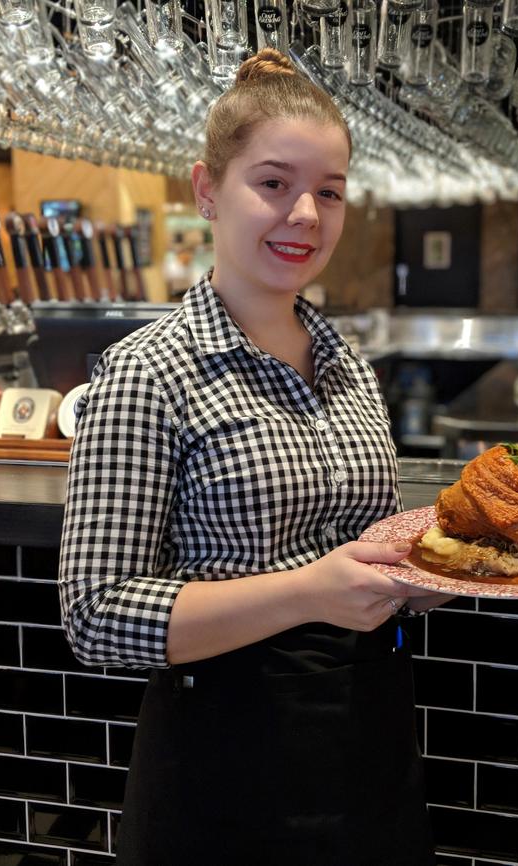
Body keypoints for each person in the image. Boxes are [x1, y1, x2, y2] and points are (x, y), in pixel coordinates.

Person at [58, 48, 449, 866]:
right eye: (273, 183)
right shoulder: (148, 370)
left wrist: (427, 578)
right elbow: (94, 615)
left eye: (330, 191)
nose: (306, 213)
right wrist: (310, 592)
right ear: (207, 189)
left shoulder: (351, 367)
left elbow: (361, 555)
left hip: (368, 759)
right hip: (218, 777)